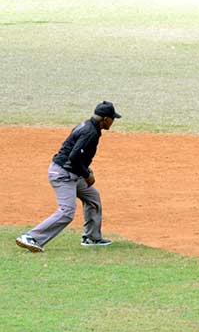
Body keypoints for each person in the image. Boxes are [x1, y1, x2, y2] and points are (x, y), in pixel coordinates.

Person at [15, 101, 121, 252]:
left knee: (92, 197)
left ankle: (92, 237)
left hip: (72, 173)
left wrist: (85, 170)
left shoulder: (87, 126)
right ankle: (31, 237)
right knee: (67, 211)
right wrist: (87, 174)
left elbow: (75, 153)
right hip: (63, 175)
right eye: (112, 118)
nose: (113, 121)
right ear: (106, 119)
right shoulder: (90, 132)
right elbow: (74, 157)